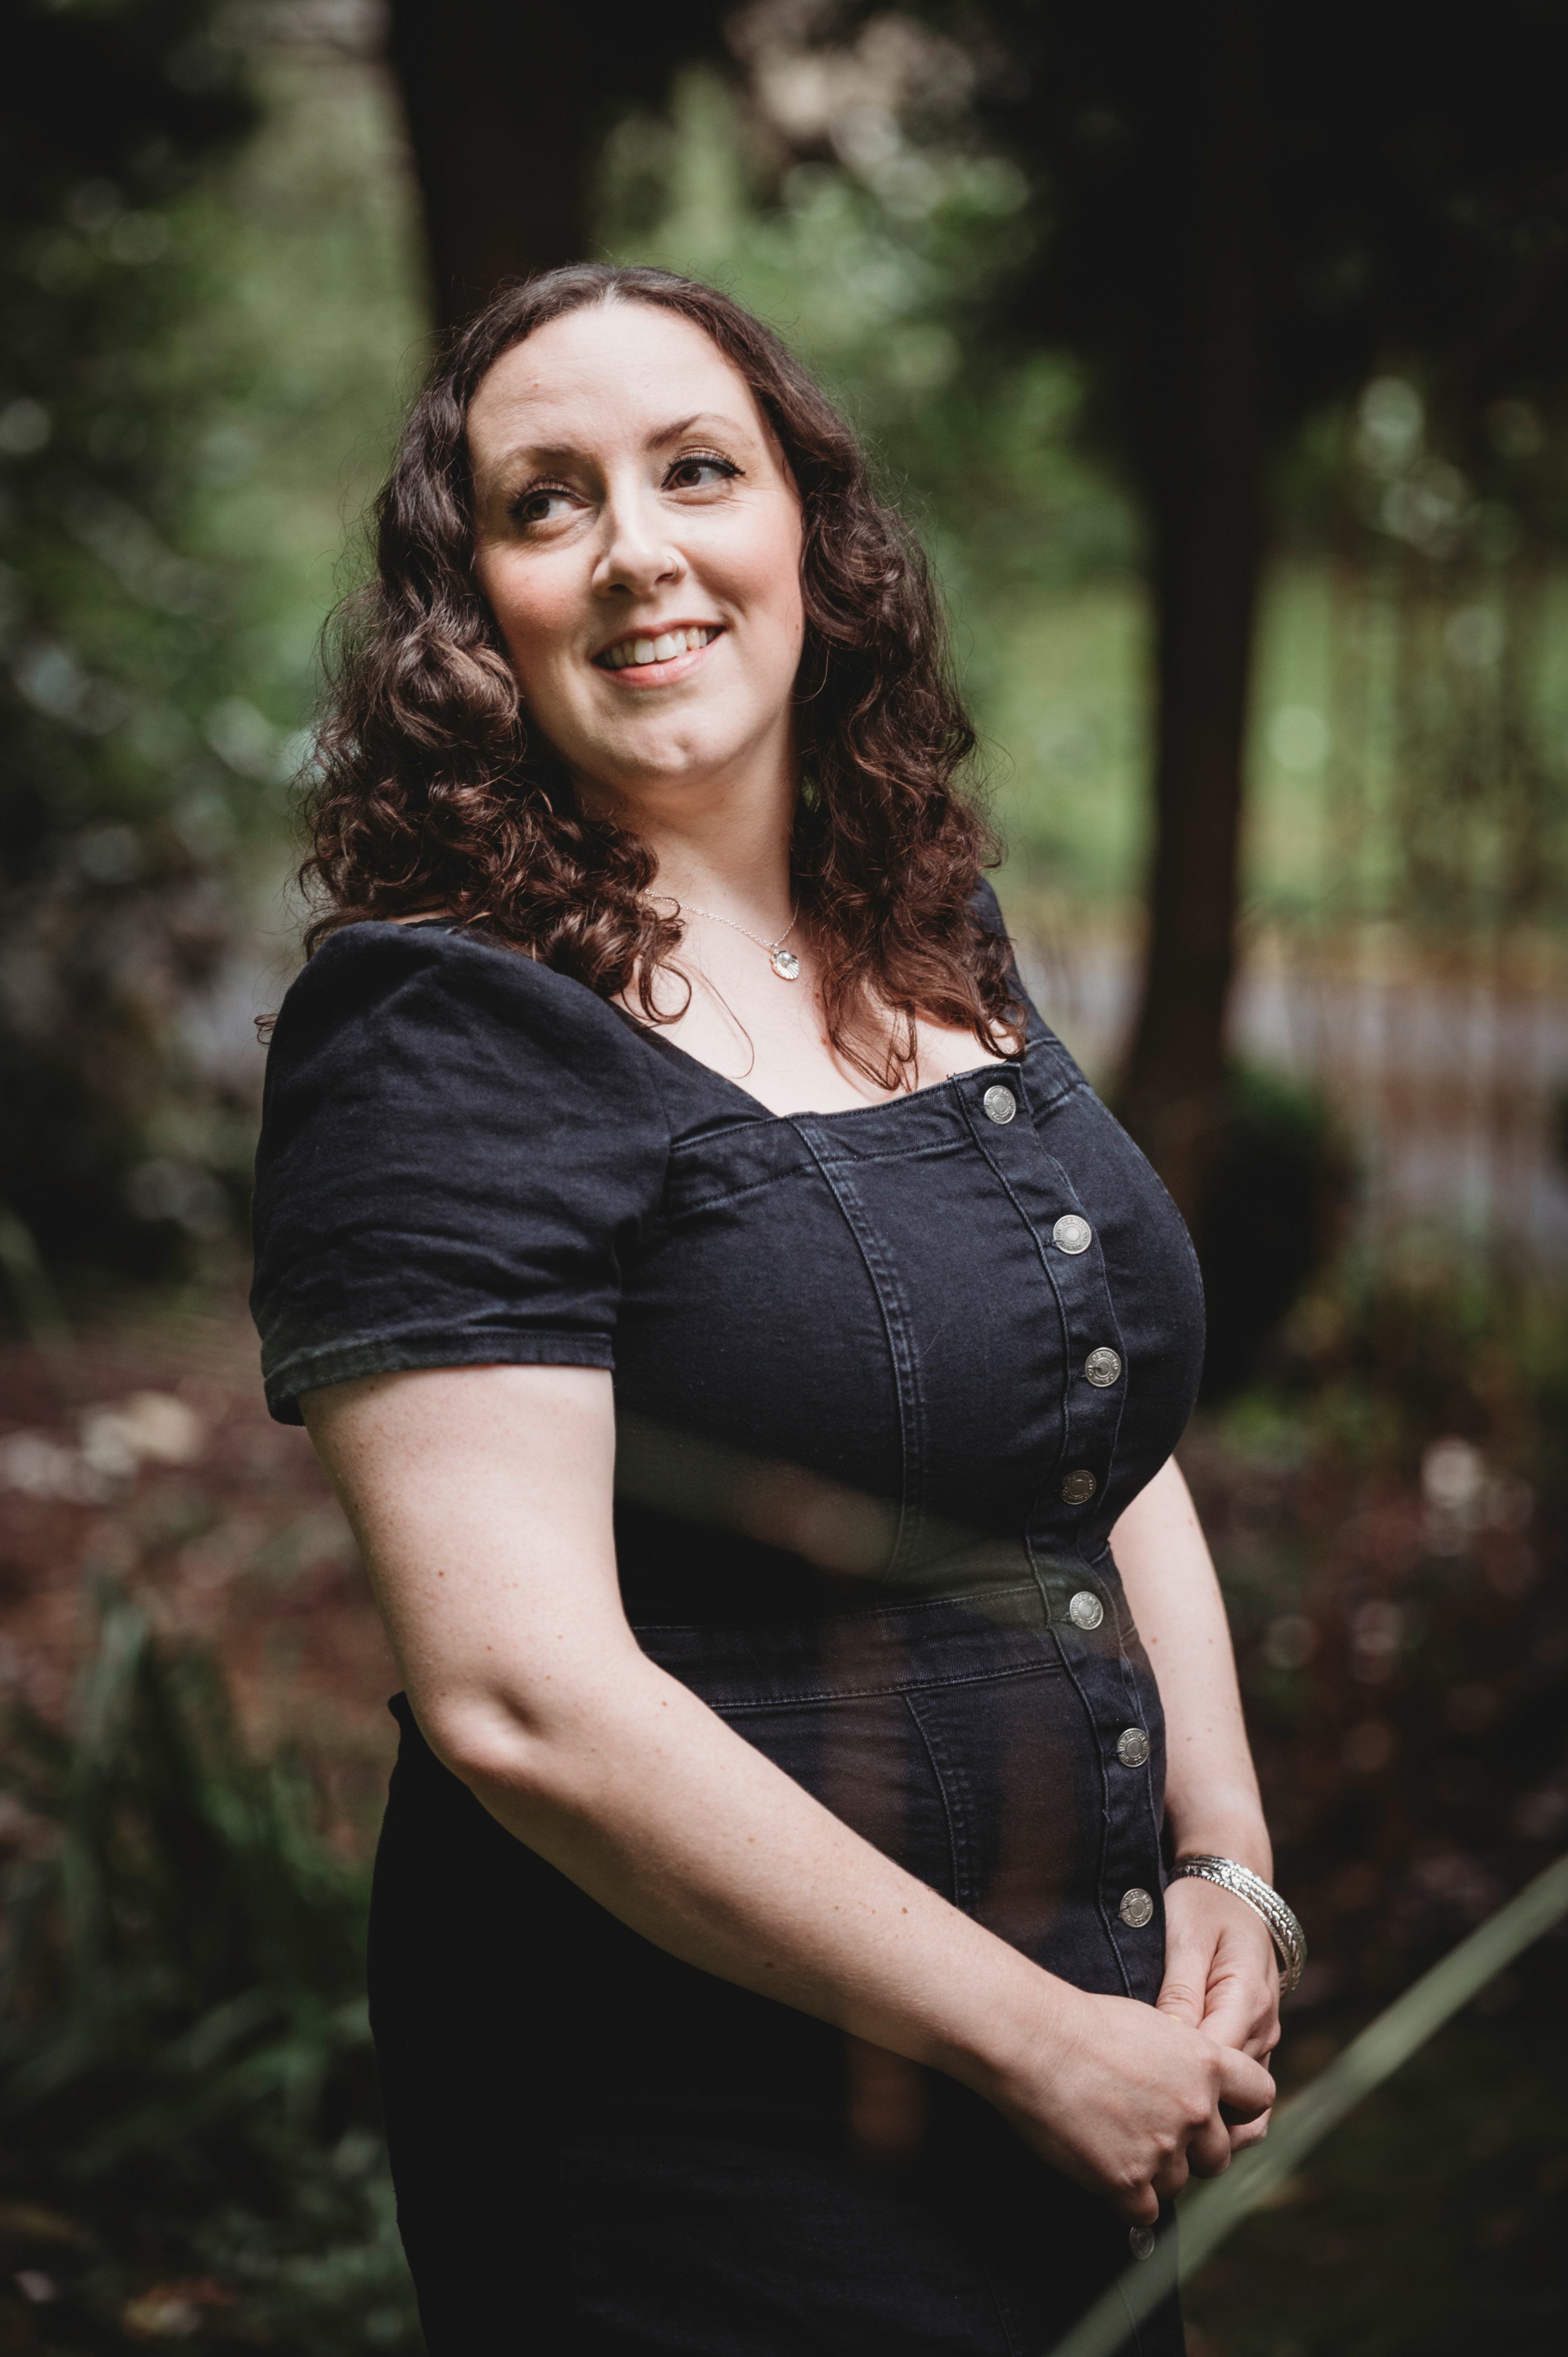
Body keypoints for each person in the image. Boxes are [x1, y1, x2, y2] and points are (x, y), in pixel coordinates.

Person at [251, 264, 1296, 2356]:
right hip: (683, 2144)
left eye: (694, 470)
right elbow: (519, 1700)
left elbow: (1092, 1436)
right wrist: (1033, 2040)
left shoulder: (923, 923)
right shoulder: (438, 1035)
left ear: (807, 532)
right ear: (478, 616)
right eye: (546, 504)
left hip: (1059, 2075)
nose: (637, 547)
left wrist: (1223, 1854)